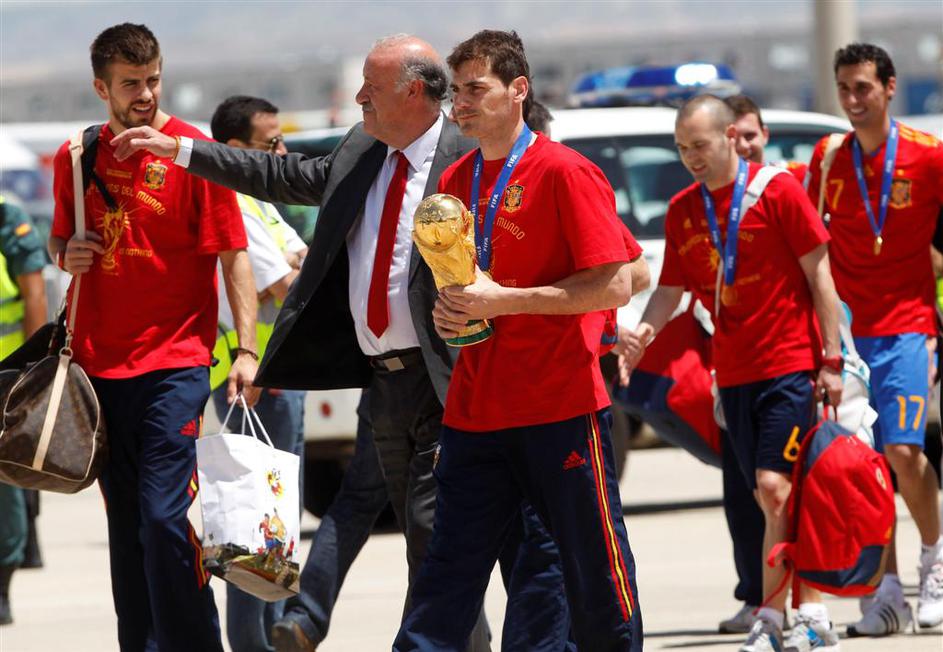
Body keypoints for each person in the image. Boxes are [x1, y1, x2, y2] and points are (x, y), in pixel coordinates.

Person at [113, 34, 573, 652]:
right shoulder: (363, 148)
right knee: (427, 543)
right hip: (384, 386)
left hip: (452, 380)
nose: (359, 98)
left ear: (413, 92)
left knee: (443, 538)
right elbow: (281, 174)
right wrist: (182, 150)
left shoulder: (468, 156)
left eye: (371, 88)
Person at [394, 29, 644, 650]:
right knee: (445, 573)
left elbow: (617, 283)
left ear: (519, 90)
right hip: (475, 411)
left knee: (592, 569)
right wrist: (451, 316)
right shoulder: (457, 177)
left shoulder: (565, 171)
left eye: (476, 89)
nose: (461, 103)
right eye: (457, 92)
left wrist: (504, 301)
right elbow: (460, 281)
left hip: (559, 407)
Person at [47, 23, 259, 652]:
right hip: (96, 371)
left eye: (153, 80)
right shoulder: (76, 156)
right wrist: (65, 253)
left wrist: (247, 350)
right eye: (130, 84)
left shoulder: (196, 152)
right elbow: (59, 239)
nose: (145, 94)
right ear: (101, 88)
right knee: (127, 528)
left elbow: (234, 255)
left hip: (176, 363)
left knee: (164, 519)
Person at [620, 95, 843, 652]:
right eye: (682, 148)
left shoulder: (777, 191)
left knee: (775, 487)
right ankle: (795, 615)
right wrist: (643, 335)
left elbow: (820, 276)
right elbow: (669, 290)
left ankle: (786, 614)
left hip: (790, 365)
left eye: (700, 145)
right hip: (733, 374)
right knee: (768, 496)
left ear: (730, 138)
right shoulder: (683, 209)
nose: (691, 157)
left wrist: (832, 359)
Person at [807, 42, 943, 636]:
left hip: (908, 325)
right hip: (848, 333)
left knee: (904, 452)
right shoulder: (828, 157)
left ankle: (934, 564)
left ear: (889, 87)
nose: (852, 99)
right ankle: (886, 593)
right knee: (866, 463)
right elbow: (809, 243)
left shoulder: (928, 155)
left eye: (862, 87)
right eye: (844, 88)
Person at [207, 95, 308, 652]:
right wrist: (295, 269)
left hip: (282, 376)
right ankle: (253, 643)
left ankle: (273, 635)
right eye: (271, 144)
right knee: (253, 525)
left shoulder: (262, 203)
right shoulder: (235, 204)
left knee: (279, 524)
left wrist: (297, 267)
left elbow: (305, 263)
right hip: (252, 384)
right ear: (236, 150)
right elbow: (288, 285)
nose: (284, 153)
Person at [0, 194, 48, 626]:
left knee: (6, 493)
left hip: (4, 380)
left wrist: (32, 375)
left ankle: (2, 584)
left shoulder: (7, 219)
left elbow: (35, 297)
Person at [725, 94, 808, 182]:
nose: (742, 146)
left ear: (765, 134)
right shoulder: (714, 187)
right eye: (732, 137)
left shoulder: (797, 177)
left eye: (749, 136)